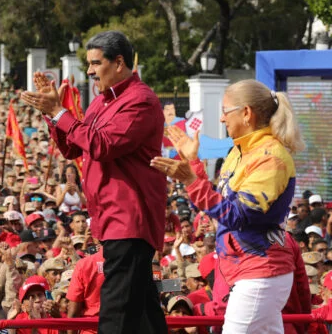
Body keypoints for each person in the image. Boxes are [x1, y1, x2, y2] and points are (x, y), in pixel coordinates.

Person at [21, 30, 167, 334]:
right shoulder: (102, 102)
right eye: (88, 64)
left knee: (114, 312)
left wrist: (59, 112)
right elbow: (73, 147)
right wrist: (53, 117)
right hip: (113, 218)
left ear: (119, 63)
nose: (88, 71)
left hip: (129, 218)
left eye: (95, 63)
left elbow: (101, 145)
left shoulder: (141, 101)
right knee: (145, 314)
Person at [152, 79, 305, 334]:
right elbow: (216, 207)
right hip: (247, 270)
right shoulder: (238, 152)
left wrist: (190, 179)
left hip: (260, 271)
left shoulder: (271, 157)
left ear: (246, 113)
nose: (222, 119)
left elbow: (238, 215)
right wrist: (194, 164)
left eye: (225, 111)